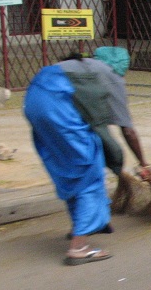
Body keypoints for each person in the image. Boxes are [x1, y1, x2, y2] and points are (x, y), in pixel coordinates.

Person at [23, 64, 113, 265]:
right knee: (90, 174)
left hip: (34, 101)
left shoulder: (79, 67)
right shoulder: (109, 75)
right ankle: (79, 248)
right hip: (58, 112)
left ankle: (77, 227)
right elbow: (121, 128)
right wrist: (120, 162)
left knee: (67, 166)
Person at [58, 47, 151, 181]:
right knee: (110, 151)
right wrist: (143, 163)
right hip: (53, 104)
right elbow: (128, 131)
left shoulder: (84, 66)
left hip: (38, 100)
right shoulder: (111, 76)